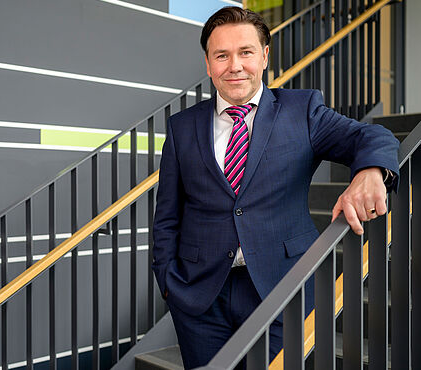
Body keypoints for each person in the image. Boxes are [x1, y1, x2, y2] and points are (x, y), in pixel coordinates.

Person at [152, 6, 399, 369]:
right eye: (222, 55)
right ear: (208, 63)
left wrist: (370, 172)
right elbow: (167, 216)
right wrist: (169, 285)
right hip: (199, 297)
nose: (234, 65)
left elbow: (370, 134)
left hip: (283, 290)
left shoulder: (303, 110)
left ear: (264, 56)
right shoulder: (181, 127)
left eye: (245, 52)